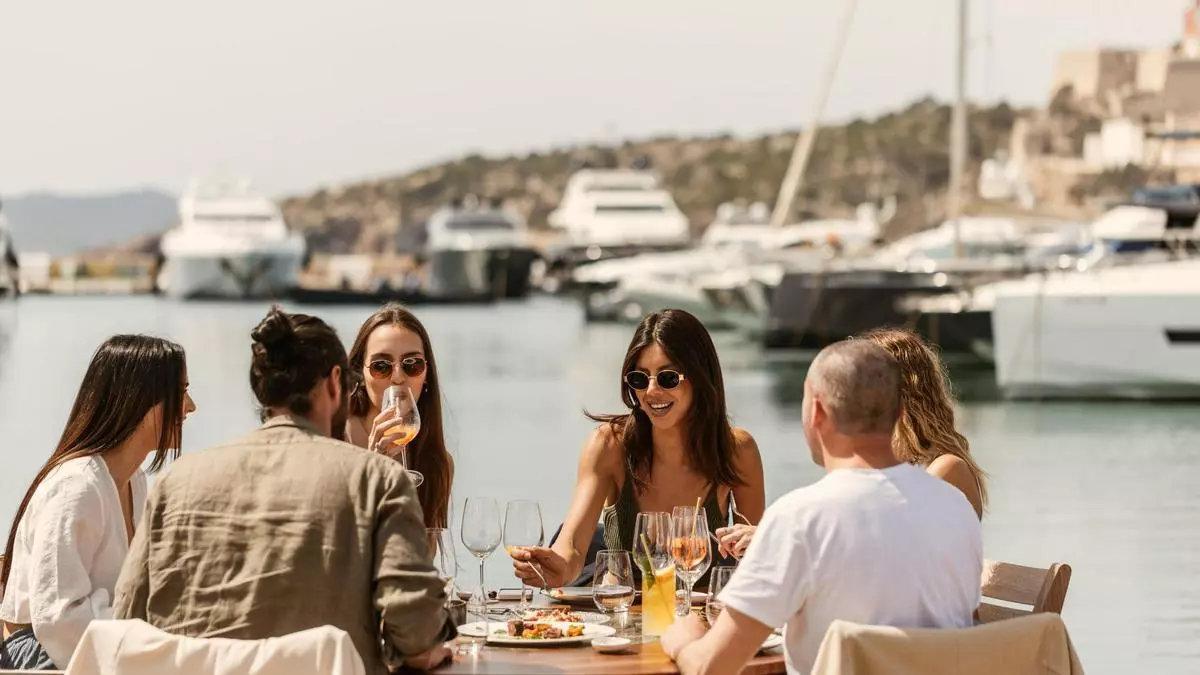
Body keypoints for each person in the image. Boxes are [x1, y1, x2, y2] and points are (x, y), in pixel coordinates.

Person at [112, 307, 454, 675]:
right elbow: (416, 633)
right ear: (337, 382)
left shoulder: (172, 483)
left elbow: (126, 621)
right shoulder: (378, 479)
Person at [662, 340, 982, 675]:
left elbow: (710, 667)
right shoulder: (956, 508)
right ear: (899, 413)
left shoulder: (800, 518)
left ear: (817, 410)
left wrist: (684, 639)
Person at [511, 309, 765, 589]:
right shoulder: (608, 445)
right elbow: (571, 547)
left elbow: (756, 566)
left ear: (700, 377)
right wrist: (556, 569)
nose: (651, 391)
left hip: (701, 620)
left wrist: (760, 542)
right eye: (640, 379)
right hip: (619, 619)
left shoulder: (737, 450)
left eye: (668, 378)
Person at [1, 335, 194, 670]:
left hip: (96, 645)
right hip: (40, 654)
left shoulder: (134, 481)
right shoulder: (77, 486)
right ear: (143, 400)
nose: (190, 405)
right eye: (181, 391)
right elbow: (59, 622)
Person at [716, 327, 988, 558]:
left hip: (926, 620)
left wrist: (780, 540)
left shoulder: (945, 468)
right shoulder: (883, 471)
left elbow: (893, 549)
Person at [344, 303, 453, 528]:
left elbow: (424, 552)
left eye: (411, 365)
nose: (397, 378)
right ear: (360, 375)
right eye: (381, 366)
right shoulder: (333, 443)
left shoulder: (437, 463)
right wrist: (374, 473)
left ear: (426, 375)